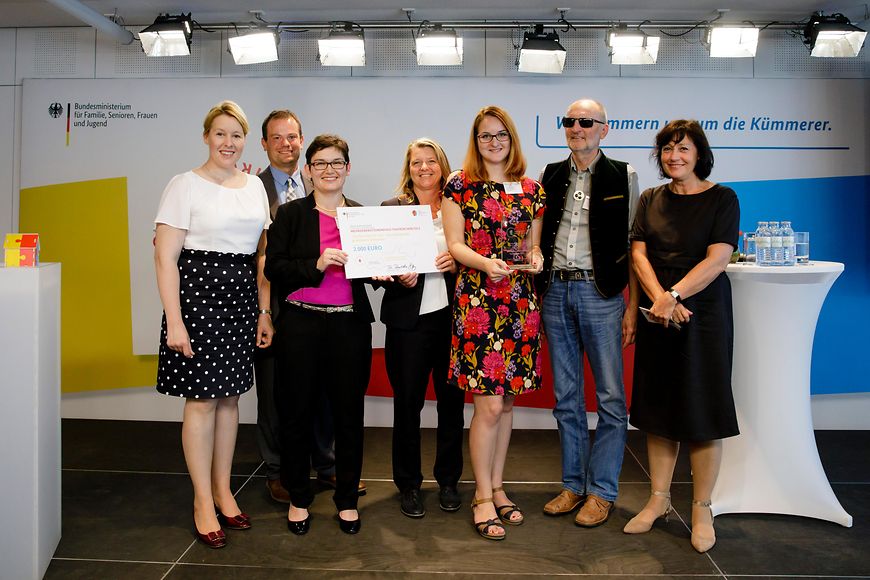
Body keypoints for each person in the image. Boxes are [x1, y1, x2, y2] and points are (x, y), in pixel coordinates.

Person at [154, 100, 273, 549]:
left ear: (245, 140)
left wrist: (263, 311)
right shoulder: (183, 185)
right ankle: (202, 500)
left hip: (242, 296)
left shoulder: (255, 188)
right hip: (197, 297)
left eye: (236, 135)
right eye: (220, 134)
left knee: (229, 400)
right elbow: (165, 258)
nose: (228, 142)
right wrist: (174, 322)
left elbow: (262, 255)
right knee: (202, 402)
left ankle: (224, 492)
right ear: (206, 136)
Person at [624, 119, 740, 553]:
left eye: (684, 149)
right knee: (658, 409)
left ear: (699, 154)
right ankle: (658, 501)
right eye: (668, 149)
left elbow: (718, 259)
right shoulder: (651, 198)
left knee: (702, 409)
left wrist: (674, 295)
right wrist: (658, 300)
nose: (675, 156)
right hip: (659, 313)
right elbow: (638, 252)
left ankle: (701, 507)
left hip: (703, 313)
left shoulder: (722, 198)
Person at [442, 105, 545, 541]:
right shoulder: (459, 185)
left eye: (501, 134)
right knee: (486, 406)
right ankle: (482, 495)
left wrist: (535, 258)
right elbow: (453, 244)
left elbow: (531, 247)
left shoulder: (532, 189)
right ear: (475, 140)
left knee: (506, 405)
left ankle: (499, 487)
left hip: (520, 306)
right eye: (485, 136)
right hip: (479, 302)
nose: (494, 142)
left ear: (512, 138)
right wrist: (487, 263)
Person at [536, 98, 640, 527]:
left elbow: (634, 243)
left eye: (586, 122)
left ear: (604, 129)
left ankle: (603, 492)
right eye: (570, 121)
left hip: (602, 296)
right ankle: (573, 485)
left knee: (612, 399)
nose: (577, 127)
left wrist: (633, 305)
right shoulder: (550, 174)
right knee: (566, 399)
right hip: (556, 293)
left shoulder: (624, 175)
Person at [265, 134, 373, 536]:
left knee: (348, 415)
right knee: (296, 414)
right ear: (308, 170)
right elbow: (275, 268)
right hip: (301, 326)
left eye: (336, 162)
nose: (329, 170)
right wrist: (317, 263)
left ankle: (346, 500)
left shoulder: (363, 216)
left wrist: (395, 273)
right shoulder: (291, 215)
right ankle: (298, 498)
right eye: (320, 163)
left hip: (349, 326)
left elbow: (375, 271)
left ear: (348, 168)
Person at [380, 138, 465, 518]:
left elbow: (475, 254)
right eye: (417, 162)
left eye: (431, 161)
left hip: (451, 322)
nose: (425, 168)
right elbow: (375, 269)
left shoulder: (459, 207)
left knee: (451, 406)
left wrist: (458, 264)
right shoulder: (391, 209)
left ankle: (448, 481)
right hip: (407, 325)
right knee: (407, 406)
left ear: (442, 166)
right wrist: (397, 276)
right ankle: (409, 485)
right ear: (408, 168)